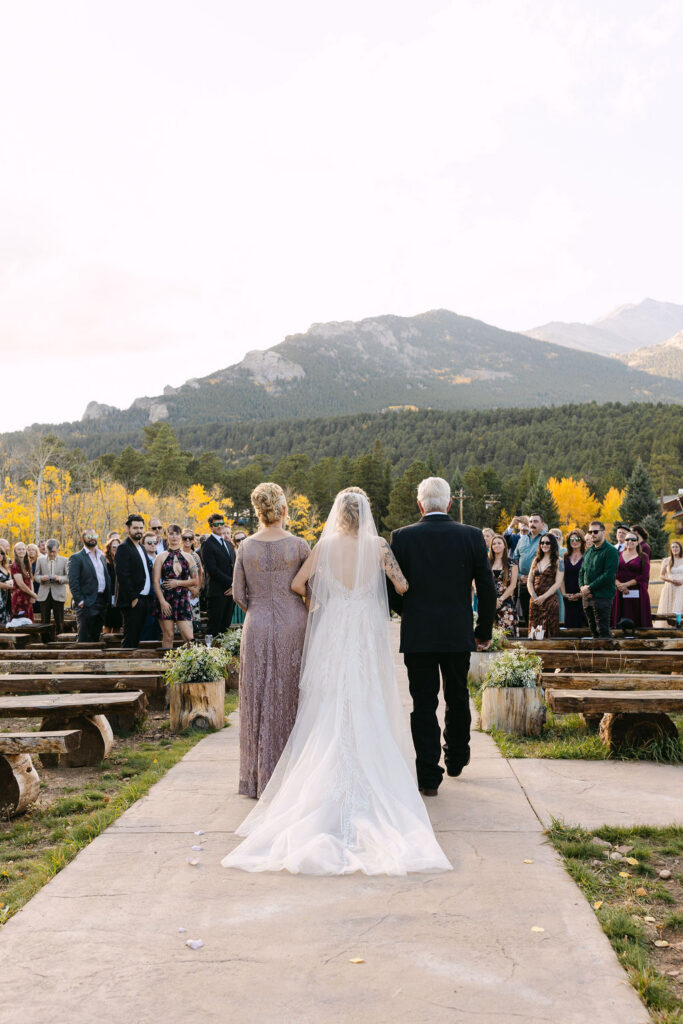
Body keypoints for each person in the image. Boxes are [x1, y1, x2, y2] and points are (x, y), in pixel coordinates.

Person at [223, 487, 451, 876]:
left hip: (334, 628)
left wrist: (322, 604)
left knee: (330, 700)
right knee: (366, 696)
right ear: (364, 514)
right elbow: (402, 586)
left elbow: (297, 585)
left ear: (337, 515)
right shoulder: (378, 546)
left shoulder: (324, 546)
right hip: (363, 629)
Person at [389, 477, 496, 793]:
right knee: (457, 695)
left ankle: (428, 776)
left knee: (423, 702)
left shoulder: (402, 538)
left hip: (418, 634)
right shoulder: (471, 536)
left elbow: (392, 587)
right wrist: (483, 630)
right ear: (449, 503)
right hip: (456, 631)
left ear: (419, 504)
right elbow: (487, 587)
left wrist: (407, 613)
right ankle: (457, 756)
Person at [230, 483, 310, 798]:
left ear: (258, 511)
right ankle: (294, 776)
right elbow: (311, 590)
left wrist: (260, 609)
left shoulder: (245, 547)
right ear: (284, 509)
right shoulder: (300, 545)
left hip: (257, 624)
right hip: (294, 624)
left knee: (258, 696)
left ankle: (256, 778)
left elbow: (238, 594)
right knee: (291, 695)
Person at [152, 524, 198, 649]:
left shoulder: (189, 557)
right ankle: (166, 668)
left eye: (177, 534)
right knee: (168, 635)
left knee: (189, 638)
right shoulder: (160, 557)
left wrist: (177, 583)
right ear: (166, 536)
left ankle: (190, 667)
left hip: (182, 599)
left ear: (181, 536)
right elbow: (156, 582)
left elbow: (195, 581)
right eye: (171, 534)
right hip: (165, 599)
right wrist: (162, 602)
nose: (174, 537)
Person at [115, 514, 152, 648]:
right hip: (133, 600)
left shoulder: (141, 547)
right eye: (135, 528)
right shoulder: (124, 547)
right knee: (130, 637)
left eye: (141, 528)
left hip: (143, 599)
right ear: (128, 529)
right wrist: (133, 598)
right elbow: (123, 575)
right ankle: (125, 666)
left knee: (137, 636)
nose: (139, 531)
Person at [68, 529, 111, 641]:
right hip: (87, 603)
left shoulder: (102, 556)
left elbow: (105, 578)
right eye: (88, 536)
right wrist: (81, 602)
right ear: (82, 539)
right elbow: (73, 582)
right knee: (84, 638)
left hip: (102, 601)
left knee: (96, 636)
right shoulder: (76, 558)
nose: (92, 538)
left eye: (94, 535)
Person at [579, 521, 620, 638]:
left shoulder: (611, 551)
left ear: (603, 532)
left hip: (602, 597)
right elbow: (582, 572)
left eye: (595, 531)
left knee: (603, 631)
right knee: (593, 630)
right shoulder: (589, 551)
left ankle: (607, 655)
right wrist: (582, 588)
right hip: (587, 597)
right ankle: (595, 656)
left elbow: (609, 575)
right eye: (590, 532)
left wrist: (590, 588)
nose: (592, 534)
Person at [202, 512, 235, 638]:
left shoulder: (229, 544)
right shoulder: (208, 544)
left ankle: (224, 655)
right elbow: (212, 569)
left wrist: (234, 586)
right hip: (216, 593)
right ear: (211, 526)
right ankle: (211, 654)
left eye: (222, 523)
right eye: (217, 524)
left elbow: (235, 566)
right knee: (214, 627)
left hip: (231, 592)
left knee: (225, 627)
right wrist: (231, 582)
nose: (220, 526)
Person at [612, 532, 652, 628]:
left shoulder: (643, 556)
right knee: (619, 617)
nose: (630, 541)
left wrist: (626, 585)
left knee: (637, 618)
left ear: (637, 542)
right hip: (620, 591)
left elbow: (644, 576)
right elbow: (612, 573)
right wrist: (619, 585)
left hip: (637, 591)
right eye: (627, 539)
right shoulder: (617, 555)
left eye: (633, 539)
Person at [527, 533, 564, 637]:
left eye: (547, 542)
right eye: (542, 542)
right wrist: (534, 597)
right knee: (535, 633)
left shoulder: (559, 561)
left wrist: (543, 597)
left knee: (548, 632)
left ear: (553, 544)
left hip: (550, 600)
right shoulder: (536, 560)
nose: (544, 545)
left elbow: (558, 583)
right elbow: (529, 580)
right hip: (535, 601)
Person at [515, 513, 546, 625]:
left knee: (540, 616)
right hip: (523, 582)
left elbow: (552, 561)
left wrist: (535, 576)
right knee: (527, 616)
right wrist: (519, 576)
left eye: (536, 521)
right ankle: (529, 640)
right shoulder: (522, 540)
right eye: (531, 521)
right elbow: (515, 559)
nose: (532, 524)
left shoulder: (547, 539)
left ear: (542, 524)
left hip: (540, 583)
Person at [35, 539, 69, 633]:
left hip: (58, 594)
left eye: (54, 551)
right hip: (44, 594)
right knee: (44, 622)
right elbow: (36, 576)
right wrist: (42, 578)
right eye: (49, 551)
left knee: (59, 621)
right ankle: (45, 642)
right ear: (46, 549)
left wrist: (59, 578)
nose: (51, 554)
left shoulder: (65, 560)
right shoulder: (40, 560)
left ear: (58, 549)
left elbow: (68, 578)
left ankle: (60, 641)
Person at [489, 534, 518, 635]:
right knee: (490, 633)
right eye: (494, 544)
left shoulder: (512, 563)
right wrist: (493, 600)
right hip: (489, 601)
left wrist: (500, 600)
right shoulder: (486, 563)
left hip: (505, 602)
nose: (496, 545)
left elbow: (513, 585)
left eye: (499, 543)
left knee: (506, 633)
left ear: (504, 545)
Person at [561, 529, 588, 628]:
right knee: (569, 623)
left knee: (584, 623)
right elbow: (561, 578)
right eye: (571, 540)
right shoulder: (564, 557)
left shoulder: (588, 556)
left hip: (583, 595)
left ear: (582, 540)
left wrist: (581, 594)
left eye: (577, 539)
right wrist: (564, 594)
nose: (574, 541)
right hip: (568, 595)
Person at [140, 532, 162, 642]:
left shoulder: (161, 557)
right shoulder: (142, 559)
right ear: (143, 544)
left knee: (159, 629)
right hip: (148, 598)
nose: (153, 545)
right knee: (147, 626)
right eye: (149, 543)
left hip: (162, 598)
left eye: (155, 542)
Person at [181, 529, 204, 634]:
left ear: (193, 540)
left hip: (195, 594)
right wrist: (191, 588)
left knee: (196, 626)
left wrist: (197, 589)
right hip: (182, 593)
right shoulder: (178, 554)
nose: (187, 540)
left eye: (190, 538)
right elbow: (178, 575)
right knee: (184, 624)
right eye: (184, 537)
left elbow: (200, 573)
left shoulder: (195, 555)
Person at [657, 541, 683, 621]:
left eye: (676, 547)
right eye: (673, 547)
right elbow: (661, 575)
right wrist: (672, 580)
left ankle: (679, 627)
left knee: (679, 607)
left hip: (681, 586)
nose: (675, 549)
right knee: (669, 606)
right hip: (670, 587)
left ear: (680, 549)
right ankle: (668, 627)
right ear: (671, 549)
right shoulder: (666, 560)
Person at [10, 543, 36, 620]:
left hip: (28, 597)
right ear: (15, 551)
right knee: (20, 622)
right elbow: (21, 584)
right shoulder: (15, 565)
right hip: (19, 598)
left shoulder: (27, 563)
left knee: (29, 621)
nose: (21, 551)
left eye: (23, 549)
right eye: (19, 549)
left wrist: (32, 595)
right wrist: (33, 594)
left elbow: (31, 581)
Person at [103, 536, 122, 633]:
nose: (116, 549)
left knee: (117, 626)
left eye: (118, 547)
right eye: (114, 547)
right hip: (108, 598)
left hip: (119, 598)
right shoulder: (105, 563)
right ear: (109, 548)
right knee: (107, 625)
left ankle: (115, 647)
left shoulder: (122, 562)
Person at [230, 531, 247, 625]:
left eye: (243, 539)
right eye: (238, 540)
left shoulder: (251, 552)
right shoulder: (233, 553)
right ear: (235, 542)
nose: (241, 541)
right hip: (236, 585)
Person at [0, 545, 14, 625]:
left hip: (6, 597)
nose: (0, 555)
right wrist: (9, 586)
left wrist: (11, 583)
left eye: (1, 553)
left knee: (6, 623)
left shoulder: (6, 567)